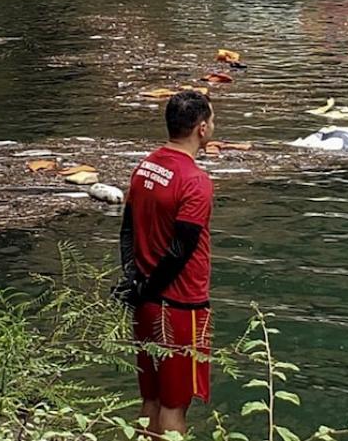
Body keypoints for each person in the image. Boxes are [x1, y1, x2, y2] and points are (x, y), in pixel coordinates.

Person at [118, 90, 216, 436]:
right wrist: (149, 286)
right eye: (213, 120)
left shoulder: (145, 166)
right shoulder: (195, 181)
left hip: (146, 302)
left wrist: (134, 280)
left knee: (151, 399)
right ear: (201, 128)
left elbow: (127, 228)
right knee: (175, 405)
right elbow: (182, 249)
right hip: (180, 307)